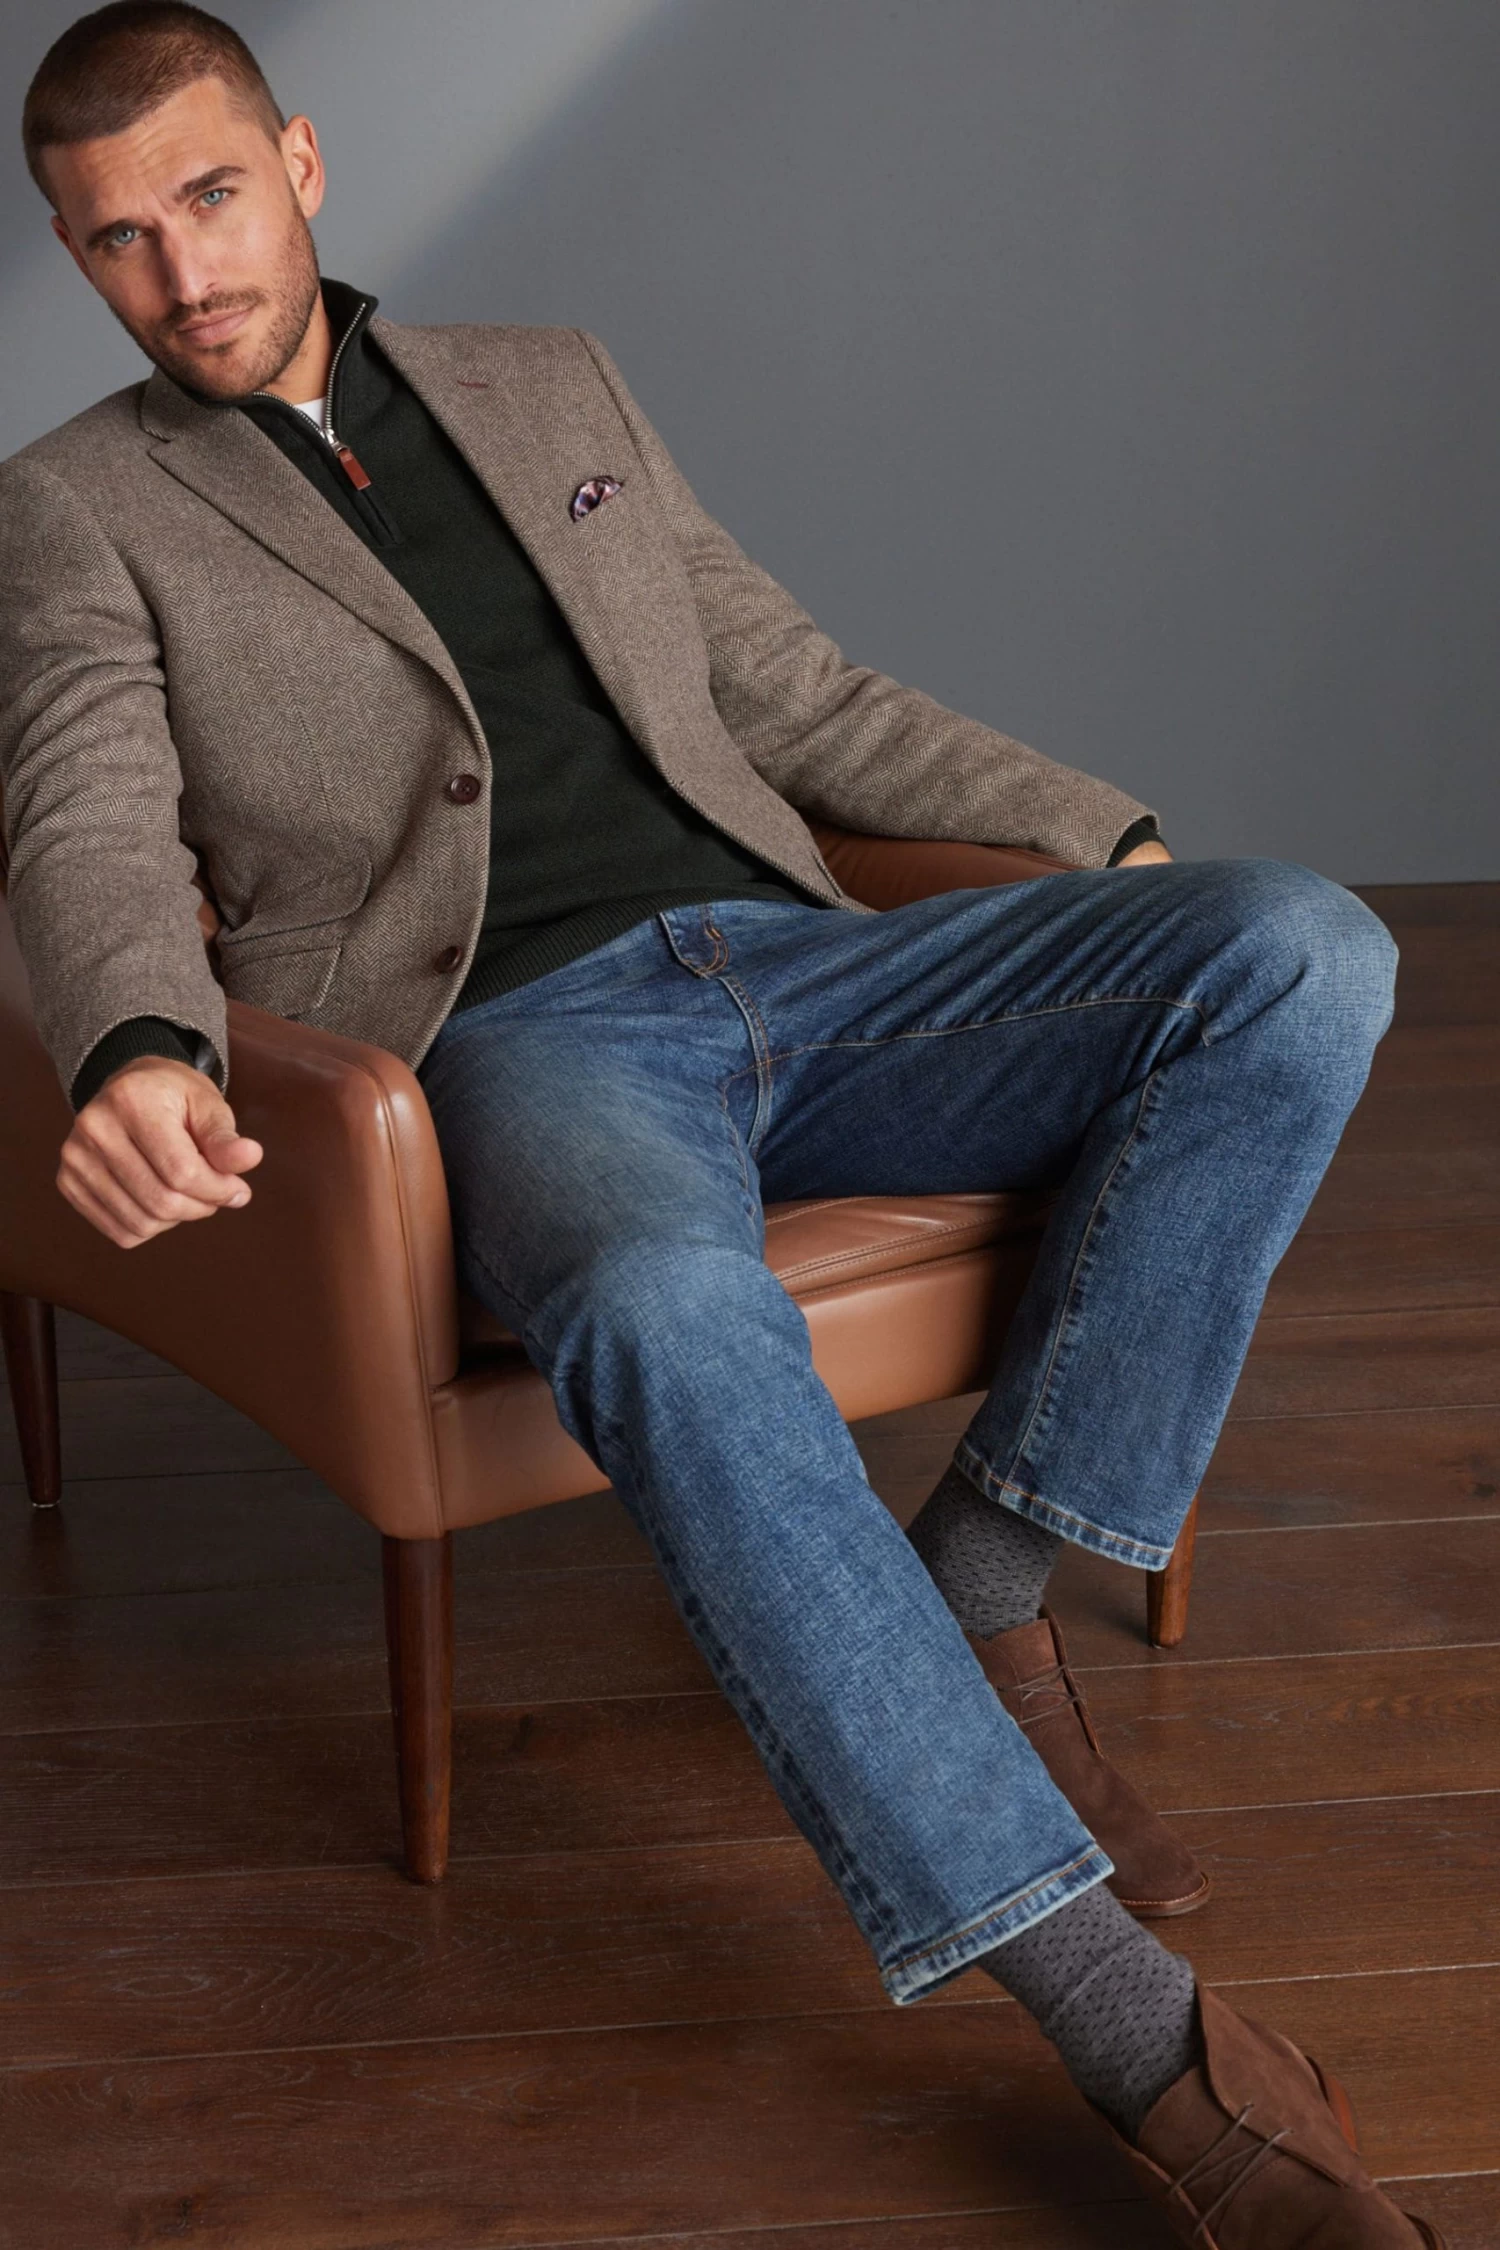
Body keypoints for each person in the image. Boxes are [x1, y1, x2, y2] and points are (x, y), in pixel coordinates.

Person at [1, 8, 1439, 2243]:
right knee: (671, 1312)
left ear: (298, 162)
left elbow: (792, 691)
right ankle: (1140, 2044)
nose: (180, 272)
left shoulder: (548, 383)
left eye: (207, 196)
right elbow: (82, 812)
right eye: (115, 240)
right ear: (77, 260)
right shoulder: (75, 508)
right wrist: (134, 1046)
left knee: (1303, 947)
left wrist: (1101, 838)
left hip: (806, 963)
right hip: (516, 1046)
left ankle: (987, 1574)